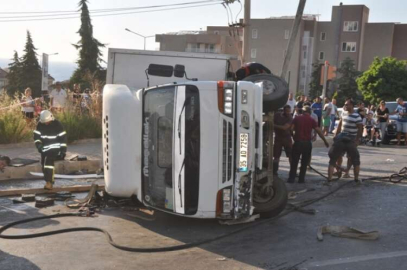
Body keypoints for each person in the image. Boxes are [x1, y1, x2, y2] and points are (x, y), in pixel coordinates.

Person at [287, 106, 329, 183]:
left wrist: (293, 136)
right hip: (307, 144)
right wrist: (325, 141)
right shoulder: (311, 120)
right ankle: (301, 179)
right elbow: (319, 131)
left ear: (302, 112)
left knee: (294, 162)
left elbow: (291, 129)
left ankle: (291, 178)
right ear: (309, 112)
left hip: (297, 143)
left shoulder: (296, 118)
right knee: (304, 162)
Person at [327, 99, 363, 183]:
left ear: (352, 105)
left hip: (351, 139)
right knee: (333, 157)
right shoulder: (343, 114)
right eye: (345, 104)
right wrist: (335, 135)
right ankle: (331, 176)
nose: (345, 106)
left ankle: (355, 178)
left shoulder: (357, 116)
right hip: (341, 138)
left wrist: (357, 140)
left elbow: (360, 129)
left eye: (347, 105)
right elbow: (339, 125)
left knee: (355, 159)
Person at [34, 110, 67, 190]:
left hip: (55, 148)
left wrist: (63, 151)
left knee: (48, 164)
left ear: (51, 118)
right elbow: (37, 138)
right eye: (45, 122)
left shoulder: (57, 124)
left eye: (47, 122)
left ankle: (49, 183)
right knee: (43, 165)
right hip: (44, 149)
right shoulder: (40, 125)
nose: (46, 123)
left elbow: (63, 138)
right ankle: (47, 182)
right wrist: (39, 146)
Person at [273, 105, 293, 175]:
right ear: (283, 111)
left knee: (290, 155)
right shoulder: (277, 115)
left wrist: (273, 125)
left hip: (287, 138)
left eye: (289, 111)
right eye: (287, 111)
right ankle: (275, 171)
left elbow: (285, 128)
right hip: (278, 138)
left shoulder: (290, 117)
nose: (288, 113)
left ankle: (292, 171)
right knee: (276, 156)